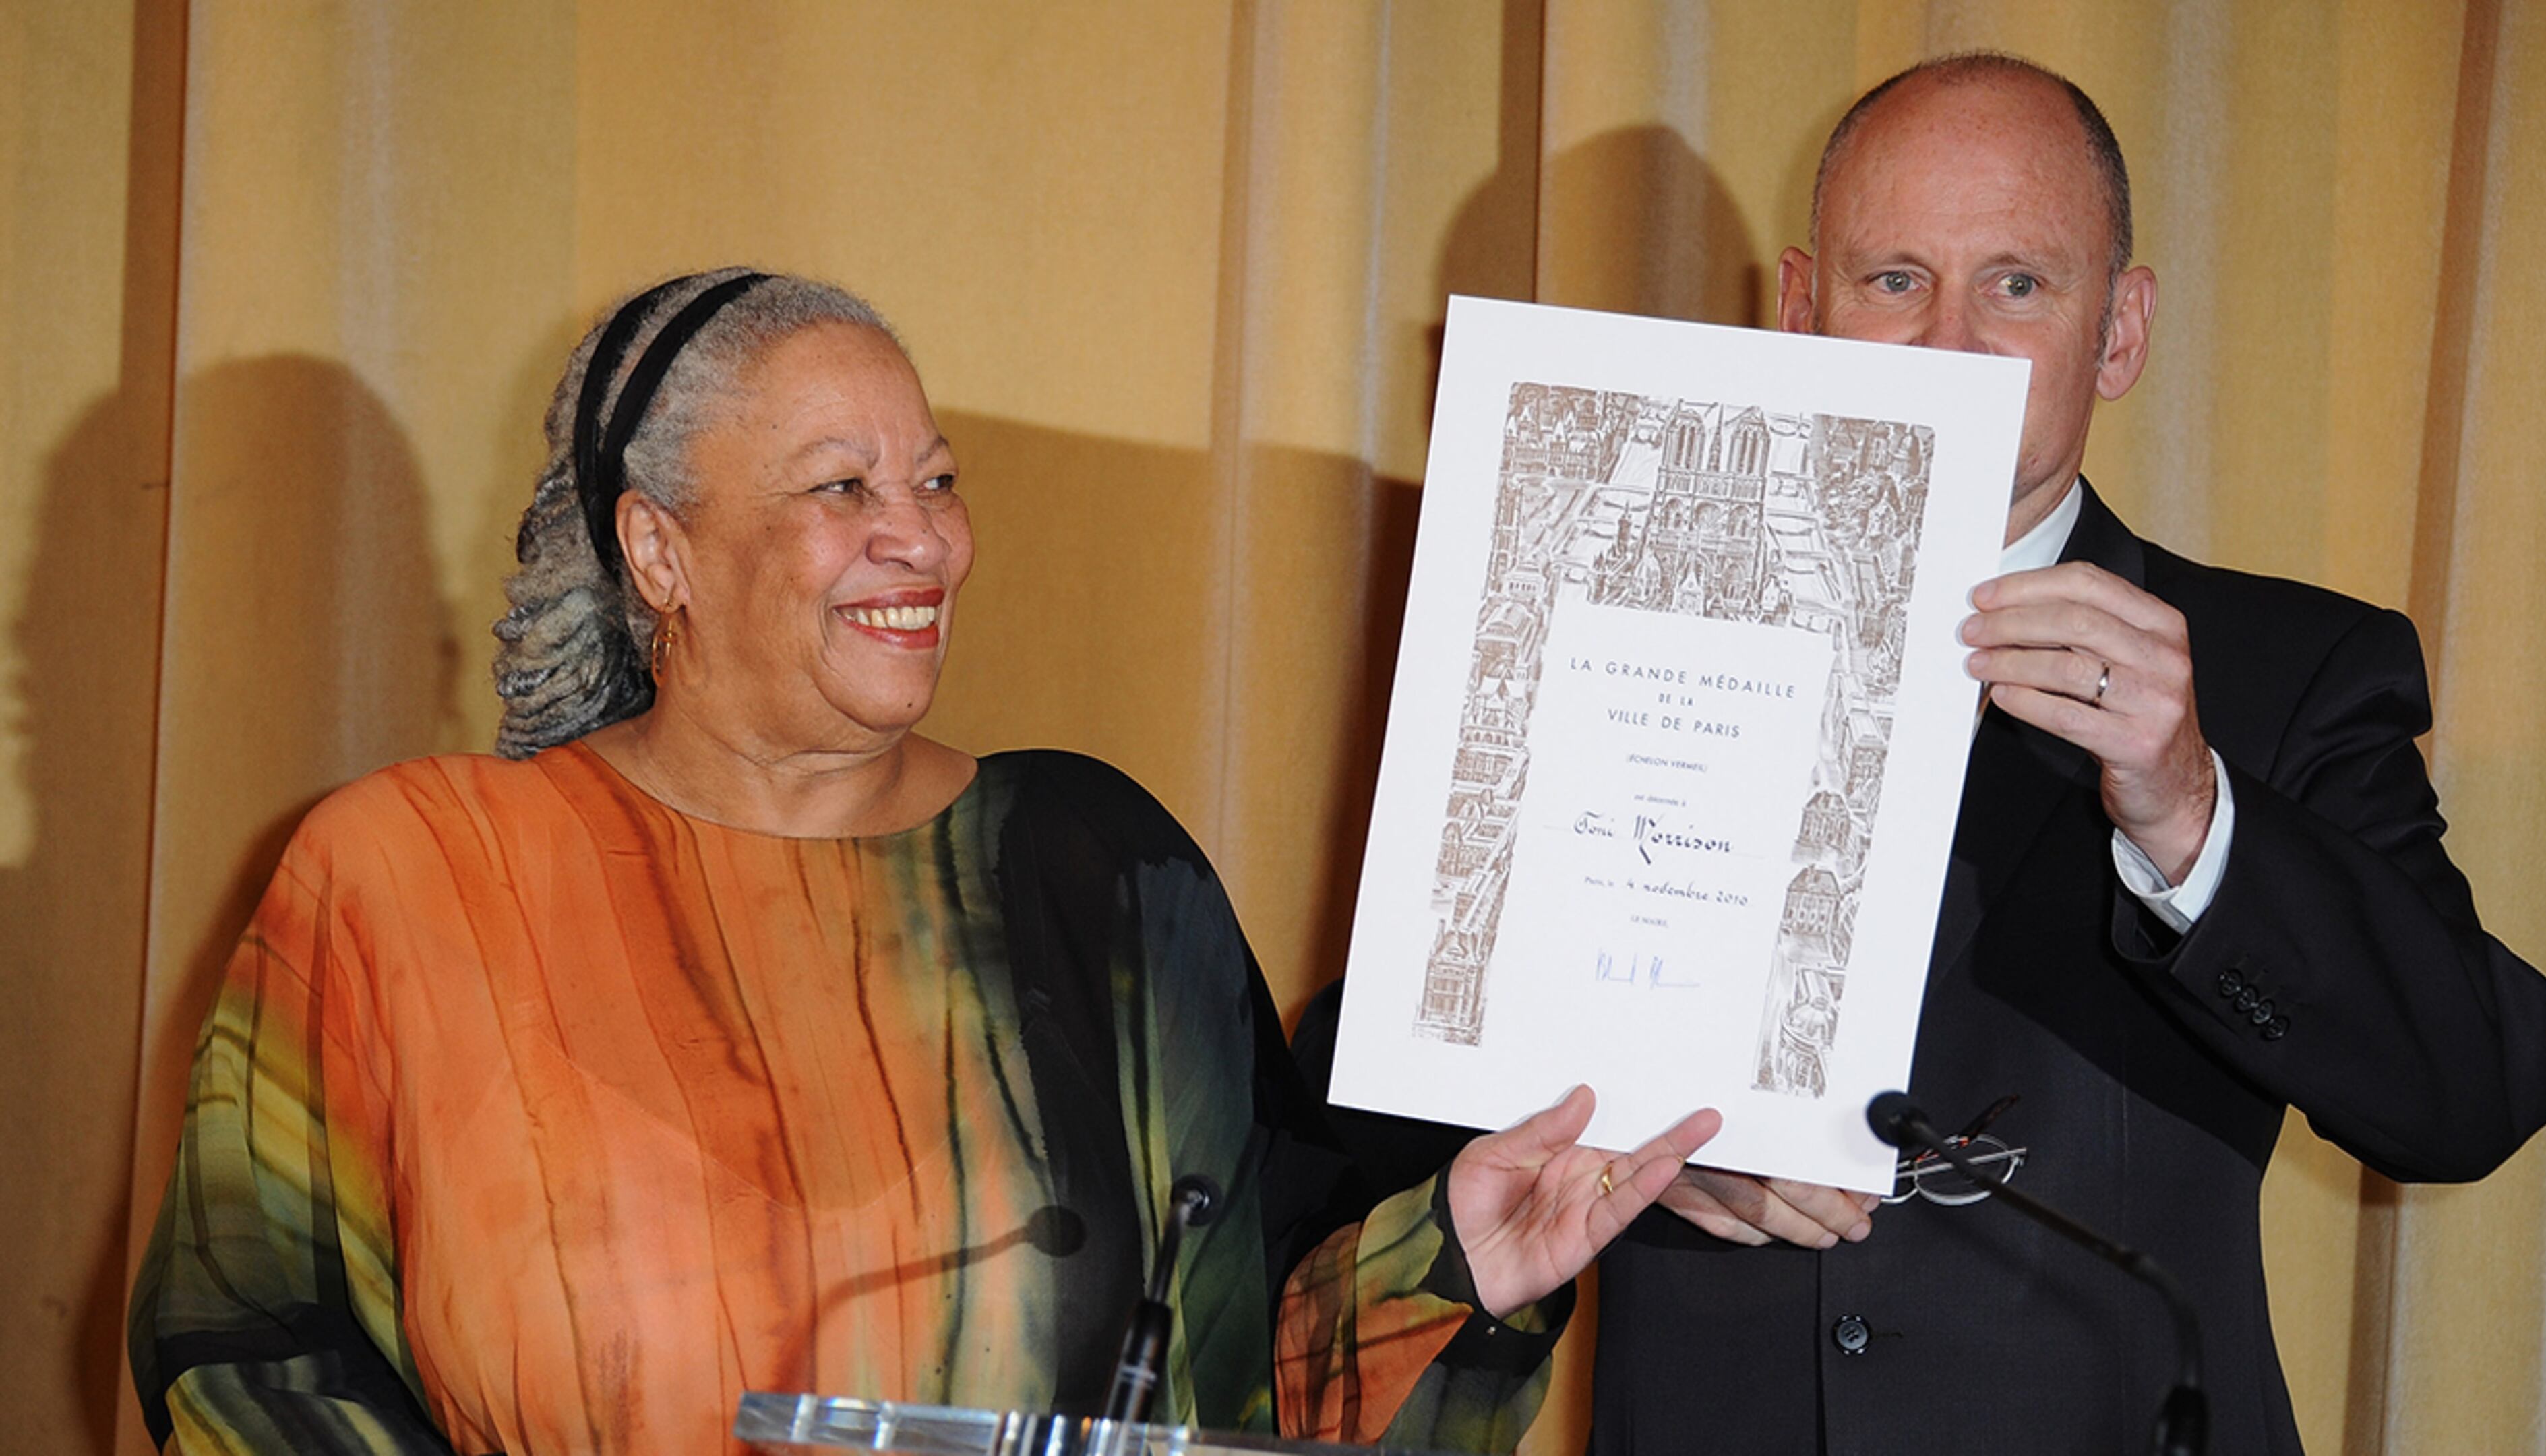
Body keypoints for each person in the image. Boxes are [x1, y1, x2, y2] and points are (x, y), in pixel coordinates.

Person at [126, 268, 1720, 1456]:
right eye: (844, 490)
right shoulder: (406, 880)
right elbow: (242, 1354)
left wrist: (1458, 1259)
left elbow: (1238, 1377)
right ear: (656, 549)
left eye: (936, 479)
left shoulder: (1095, 867)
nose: (926, 538)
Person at [1580, 54, 2546, 1455]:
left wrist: (2191, 811)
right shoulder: (1604, 629)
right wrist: (1628, 1144)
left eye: (2020, 285)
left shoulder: (2287, 674)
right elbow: (1422, 1095)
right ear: (1802, 310)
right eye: (1895, 280)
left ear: (2121, 330)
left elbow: (2471, 1096)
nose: (1952, 349)